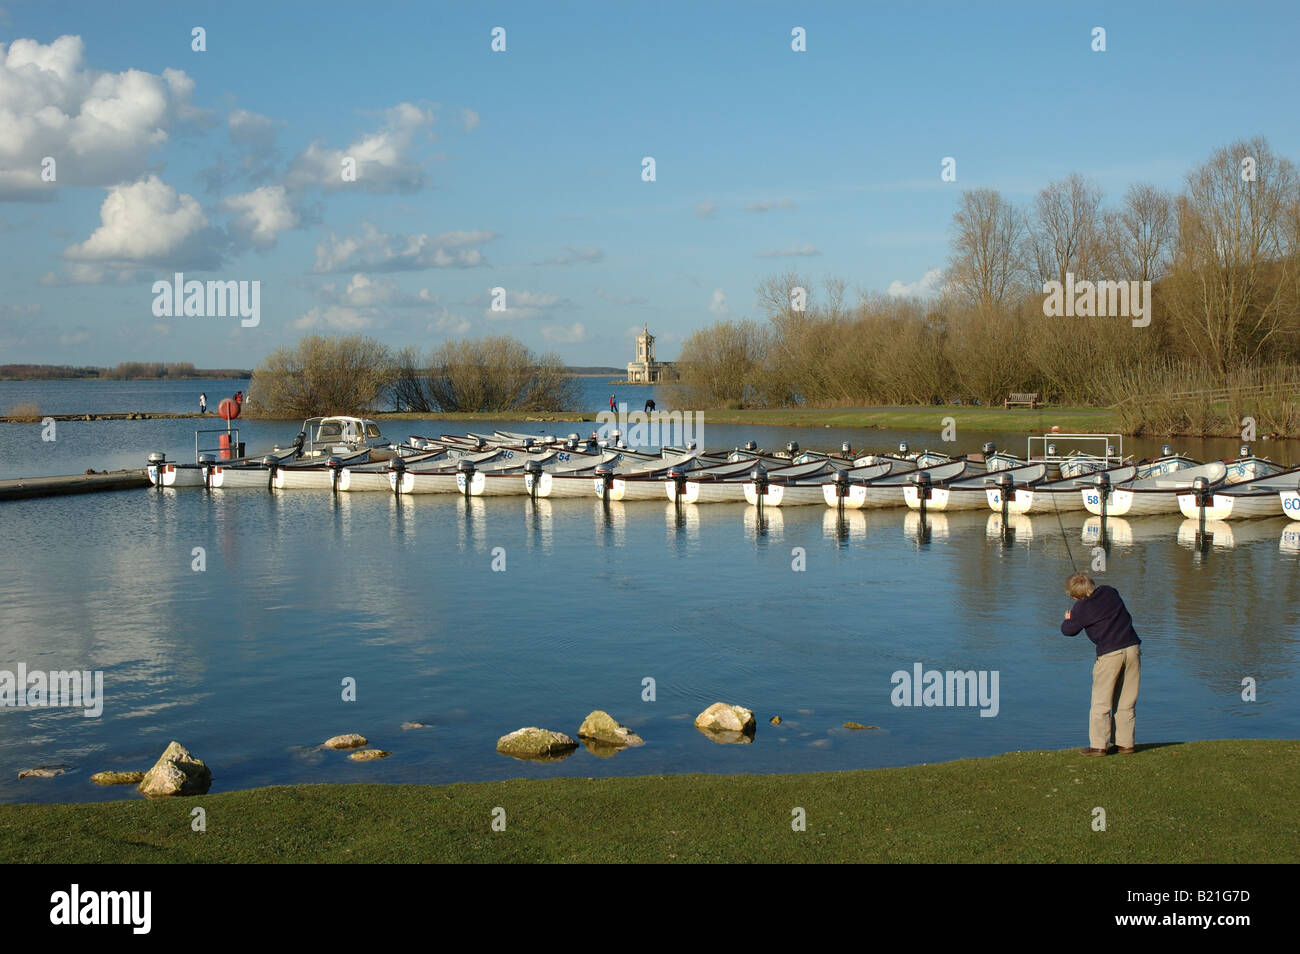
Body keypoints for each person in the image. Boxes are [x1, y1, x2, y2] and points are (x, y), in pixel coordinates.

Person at [1060, 573, 1141, 756]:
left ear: (1074, 596)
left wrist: (1068, 617)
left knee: (1101, 702)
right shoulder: (1110, 592)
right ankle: (1125, 745)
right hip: (1132, 648)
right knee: (1126, 700)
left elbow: (1068, 631)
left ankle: (1098, 746)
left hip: (1110, 655)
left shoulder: (1080, 608)